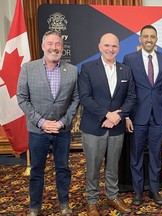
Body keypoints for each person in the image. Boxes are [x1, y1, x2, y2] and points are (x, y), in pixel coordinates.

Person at [17, 30, 79, 215]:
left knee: (63, 169)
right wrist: (41, 122)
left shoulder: (72, 70)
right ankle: (35, 207)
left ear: (62, 47)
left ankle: (64, 204)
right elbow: (22, 98)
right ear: (43, 46)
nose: (54, 47)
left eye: (58, 44)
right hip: (38, 131)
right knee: (37, 170)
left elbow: (76, 99)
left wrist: (62, 123)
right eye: (50, 44)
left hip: (62, 130)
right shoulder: (28, 68)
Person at [78, 33, 136, 216]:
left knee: (112, 167)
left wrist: (118, 116)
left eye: (114, 46)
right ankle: (92, 201)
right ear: (99, 47)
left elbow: (131, 97)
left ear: (119, 48)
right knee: (93, 168)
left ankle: (112, 196)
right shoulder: (87, 68)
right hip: (94, 127)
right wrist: (107, 115)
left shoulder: (125, 70)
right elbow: (85, 98)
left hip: (116, 128)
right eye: (107, 45)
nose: (110, 49)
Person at [123, 25, 162, 206]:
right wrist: (126, 116)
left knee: (156, 155)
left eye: (152, 37)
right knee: (136, 155)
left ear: (156, 39)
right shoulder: (129, 59)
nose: (149, 39)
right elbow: (125, 90)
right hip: (137, 117)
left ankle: (154, 190)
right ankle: (137, 192)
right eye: (145, 36)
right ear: (140, 39)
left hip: (158, 116)